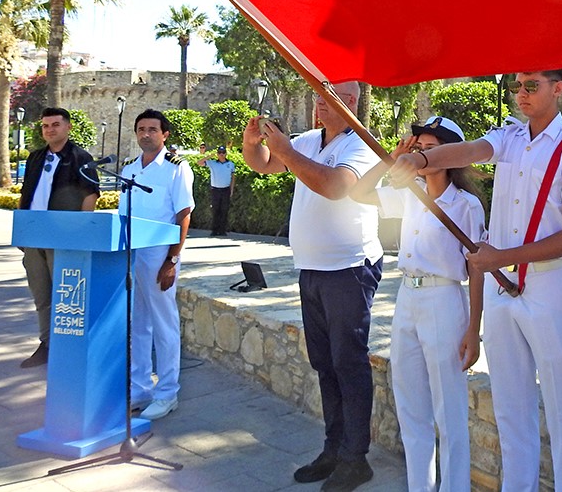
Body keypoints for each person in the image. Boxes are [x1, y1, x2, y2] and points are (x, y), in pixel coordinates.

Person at [390, 69, 562, 492]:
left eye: (532, 86)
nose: (521, 94)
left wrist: (502, 257)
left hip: (549, 286)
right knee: (509, 409)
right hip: (504, 290)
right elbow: (466, 152)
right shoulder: (509, 137)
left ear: (559, 87)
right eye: (517, 86)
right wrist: (421, 160)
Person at [243, 81, 380, 492]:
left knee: (349, 364)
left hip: (348, 269)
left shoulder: (363, 144)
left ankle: (357, 459)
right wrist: (254, 144)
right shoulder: (307, 140)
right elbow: (265, 164)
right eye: (317, 95)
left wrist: (285, 150)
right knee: (325, 365)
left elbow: (337, 187)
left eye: (327, 97)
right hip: (313, 270)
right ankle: (334, 449)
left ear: (351, 102)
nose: (317, 103)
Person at [349, 115, 485, 492]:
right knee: (411, 409)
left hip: (444, 300)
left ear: (450, 156)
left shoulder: (466, 205)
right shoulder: (407, 193)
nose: (422, 155)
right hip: (407, 297)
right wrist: (393, 157)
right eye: (419, 148)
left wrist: (474, 330)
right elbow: (358, 193)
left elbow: (477, 270)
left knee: (449, 410)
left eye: (430, 149)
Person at [119, 109, 194, 421]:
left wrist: (172, 260)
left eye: (152, 129)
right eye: (141, 129)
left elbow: (184, 214)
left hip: (160, 256)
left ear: (165, 135)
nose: (145, 134)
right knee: (138, 324)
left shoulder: (176, 169)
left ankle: (167, 393)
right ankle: (139, 388)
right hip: (132, 256)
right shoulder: (129, 170)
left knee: (164, 326)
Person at [18, 107, 100, 368]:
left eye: (55, 124)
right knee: (41, 294)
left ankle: (70, 348)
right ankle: (46, 344)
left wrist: (81, 232)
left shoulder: (80, 157)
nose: (50, 129)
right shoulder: (35, 157)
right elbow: (26, 192)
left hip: (64, 238)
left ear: (68, 127)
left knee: (66, 296)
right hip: (34, 235)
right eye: (45, 126)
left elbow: (90, 194)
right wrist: (22, 230)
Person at [202, 146, 235, 236]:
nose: (221, 154)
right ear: (217, 154)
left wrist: (231, 190)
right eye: (219, 153)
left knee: (224, 210)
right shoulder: (212, 163)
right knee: (215, 210)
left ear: (226, 153)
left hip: (225, 190)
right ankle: (214, 230)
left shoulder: (231, 164)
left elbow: (232, 178)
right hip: (215, 190)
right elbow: (199, 162)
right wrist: (210, 156)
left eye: (223, 152)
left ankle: (222, 230)